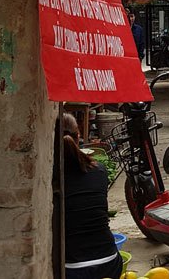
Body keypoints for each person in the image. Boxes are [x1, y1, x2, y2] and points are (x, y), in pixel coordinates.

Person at [60, 113, 121, 279]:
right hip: (110, 260)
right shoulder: (99, 171)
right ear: (78, 136)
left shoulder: (51, 179)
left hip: (72, 268)